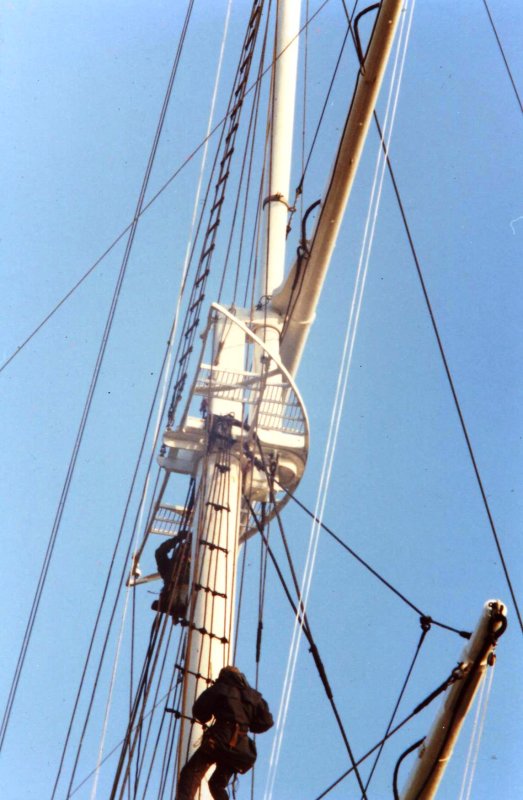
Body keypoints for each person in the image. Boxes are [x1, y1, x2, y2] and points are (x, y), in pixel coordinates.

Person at [176, 666, 273, 800]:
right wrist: (248, 725)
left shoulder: (220, 687)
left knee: (191, 773)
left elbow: (200, 712)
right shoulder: (254, 696)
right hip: (241, 751)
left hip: (219, 741)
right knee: (217, 785)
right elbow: (266, 722)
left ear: (224, 676)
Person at [152, 530, 191, 621]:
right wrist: (177, 539)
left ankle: (179, 608)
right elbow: (160, 552)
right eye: (181, 551)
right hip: (173, 591)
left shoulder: (198, 567)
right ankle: (176, 607)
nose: (183, 555)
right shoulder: (168, 568)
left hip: (188, 592)